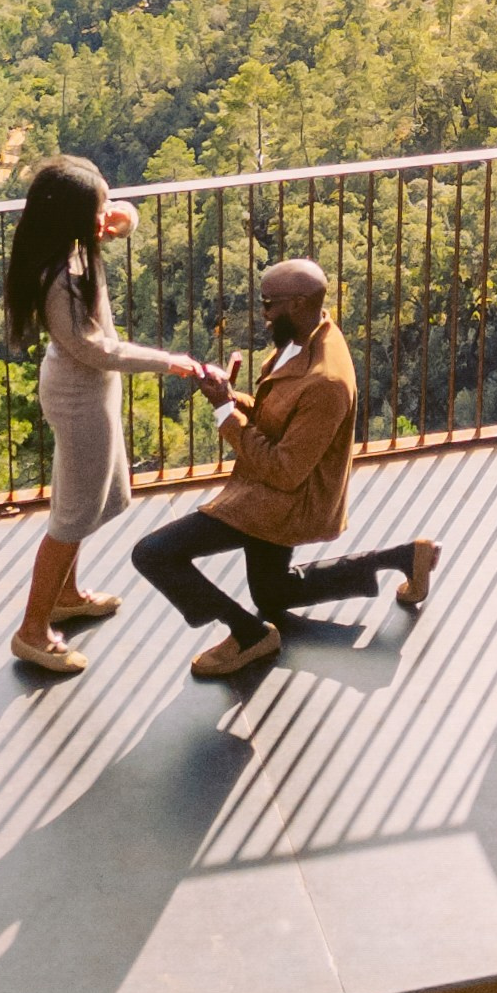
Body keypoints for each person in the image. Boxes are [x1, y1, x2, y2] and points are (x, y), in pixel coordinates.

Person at [132, 256, 438, 679]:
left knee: (153, 554)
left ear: (297, 303)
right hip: (273, 486)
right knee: (272, 595)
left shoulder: (325, 381)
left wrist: (225, 412)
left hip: (284, 500)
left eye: (268, 304)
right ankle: (406, 556)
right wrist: (230, 397)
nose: (263, 314)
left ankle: (249, 636)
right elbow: (280, 417)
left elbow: (286, 471)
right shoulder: (309, 334)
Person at [4, 156, 224, 678]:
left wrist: (123, 217)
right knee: (72, 516)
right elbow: (95, 349)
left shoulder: (69, 243)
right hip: (80, 396)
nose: (108, 215)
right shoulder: (60, 277)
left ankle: (65, 597)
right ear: (75, 218)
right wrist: (168, 362)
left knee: (91, 500)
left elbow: (119, 215)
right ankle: (32, 631)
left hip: (91, 392)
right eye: (99, 209)